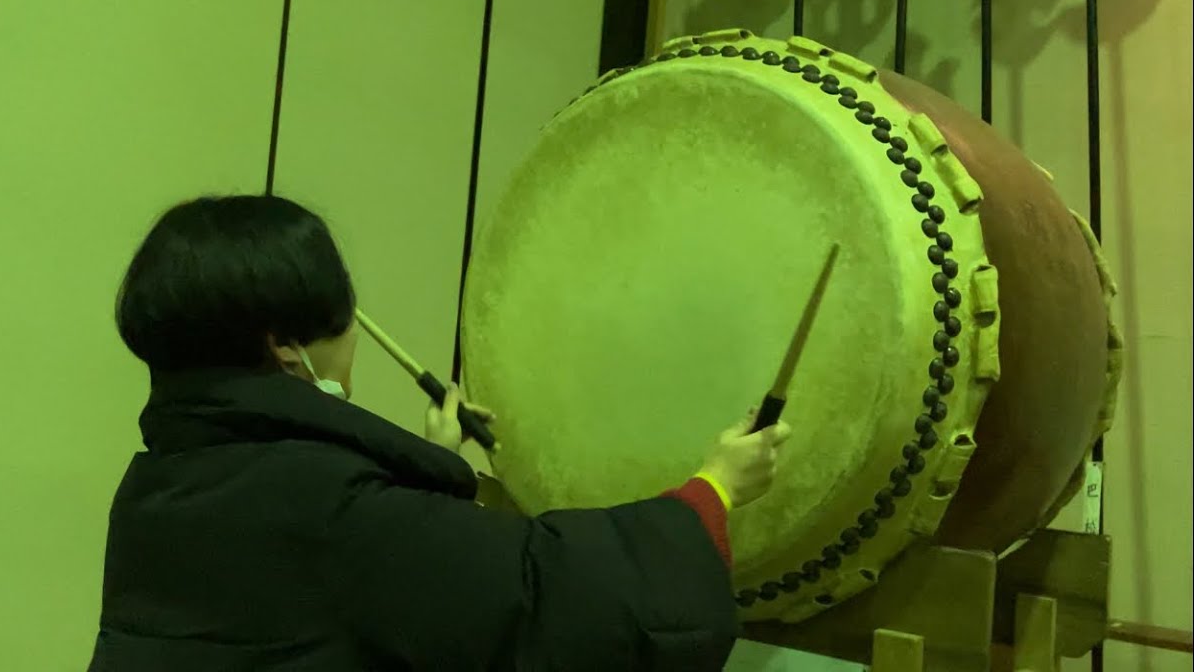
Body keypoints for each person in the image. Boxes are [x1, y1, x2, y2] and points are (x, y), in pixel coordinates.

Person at [89, 195, 791, 672]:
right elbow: (556, 596)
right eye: (342, 327)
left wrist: (433, 462)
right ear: (286, 350)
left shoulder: (158, 487)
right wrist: (714, 491)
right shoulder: (332, 513)